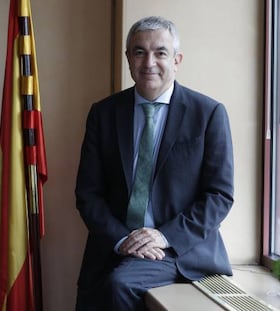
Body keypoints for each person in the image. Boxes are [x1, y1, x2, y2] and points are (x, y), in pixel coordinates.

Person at [75, 16, 234, 311]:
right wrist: (122, 239)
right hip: (115, 244)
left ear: (177, 60)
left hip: (180, 250)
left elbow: (219, 196)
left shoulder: (208, 114)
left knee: (120, 285)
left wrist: (163, 236)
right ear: (128, 59)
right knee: (95, 291)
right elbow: (88, 194)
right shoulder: (104, 113)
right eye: (139, 52)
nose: (149, 62)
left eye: (160, 52)